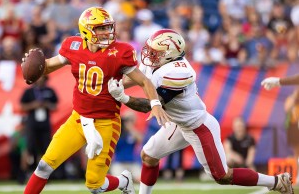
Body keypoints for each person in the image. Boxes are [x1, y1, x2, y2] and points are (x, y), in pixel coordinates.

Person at [108, 29, 294, 194]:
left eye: (156, 52)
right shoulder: (157, 63)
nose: (149, 55)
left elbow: (152, 104)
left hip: (197, 126)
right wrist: (111, 85)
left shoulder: (178, 73)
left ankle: (277, 181)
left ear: (170, 55)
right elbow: (138, 79)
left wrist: (123, 98)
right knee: (149, 156)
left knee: (222, 176)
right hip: (177, 122)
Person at [22, 7, 169, 194]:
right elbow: (50, 65)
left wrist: (155, 104)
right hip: (78, 119)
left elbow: (143, 80)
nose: (107, 32)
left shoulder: (120, 52)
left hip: (106, 123)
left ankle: (123, 182)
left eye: (108, 27)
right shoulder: (73, 46)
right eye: (100, 28)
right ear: (86, 30)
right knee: (44, 166)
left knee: (94, 185)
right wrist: (33, 70)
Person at [20, 75, 58, 170]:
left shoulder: (49, 90)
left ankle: (41, 172)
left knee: (45, 148)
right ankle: (25, 172)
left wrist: (46, 105)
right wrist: (33, 105)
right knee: (29, 148)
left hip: (45, 124)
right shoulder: (29, 91)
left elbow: (55, 106)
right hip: (32, 124)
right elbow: (22, 106)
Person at [110, 111, 143, 182]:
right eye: (127, 120)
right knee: (119, 181)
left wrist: (131, 128)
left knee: (141, 179)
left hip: (132, 162)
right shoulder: (118, 132)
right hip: (119, 162)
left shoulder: (132, 132)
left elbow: (140, 139)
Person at [284, 88, 299, 184]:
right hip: (294, 129)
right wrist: (295, 94)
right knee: (296, 154)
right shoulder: (292, 98)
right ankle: (298, 174)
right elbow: (287, 108)